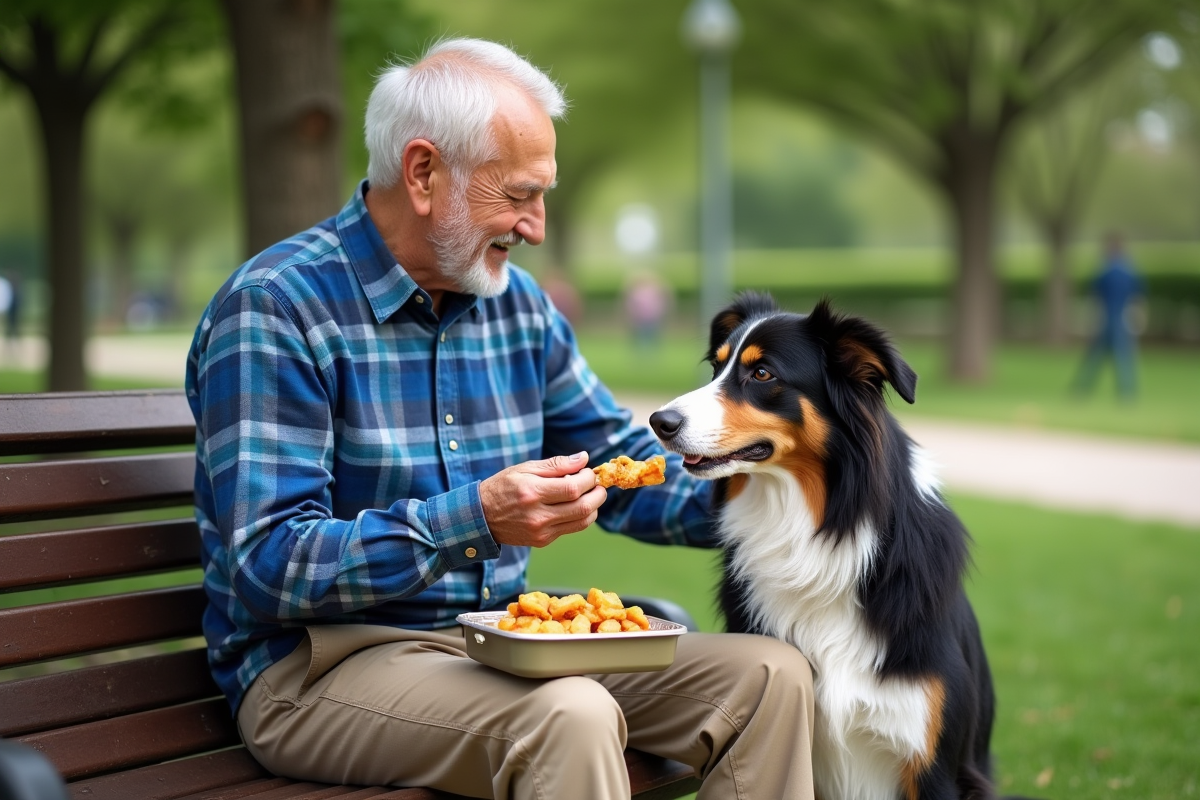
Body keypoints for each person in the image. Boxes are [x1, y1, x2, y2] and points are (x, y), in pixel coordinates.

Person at [186, 39, 814, 800]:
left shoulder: (517, 306)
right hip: (316, 668)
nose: (538, 227)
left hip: (504, 644)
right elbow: (269, 565)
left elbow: (620, 464)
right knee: (571, 715)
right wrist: (476, 518)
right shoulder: (277, 307)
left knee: (772, 676)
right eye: (519, 196)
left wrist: (818, 502)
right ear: (423, 174)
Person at [1073, 232, 1144, 399]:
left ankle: (1082, 390)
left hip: (1109, 318)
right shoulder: (1130, 269)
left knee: (1098, 356)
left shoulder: (1105, 270)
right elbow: (1138, 296)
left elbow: (1095, 295)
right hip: (1122, 319)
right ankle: (1126, 393)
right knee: (1122, 356)